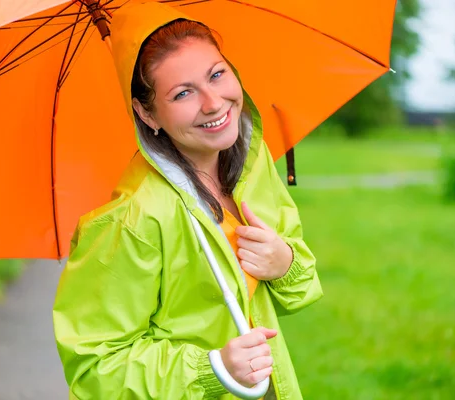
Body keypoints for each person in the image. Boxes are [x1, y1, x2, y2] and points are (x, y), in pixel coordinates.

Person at [53, 3, 322, 399]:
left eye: (216, 74)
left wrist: (284, 263)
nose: (213, 103)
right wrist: (214, 368)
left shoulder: (249, 162)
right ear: (147, 114)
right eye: (183, 94)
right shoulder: (133, 219)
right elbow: (95, 367)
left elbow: (297, 293)